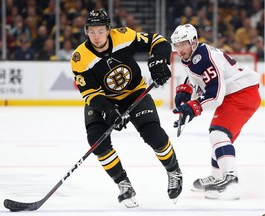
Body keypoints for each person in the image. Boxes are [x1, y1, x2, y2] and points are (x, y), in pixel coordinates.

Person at [70, 9, 183, 207]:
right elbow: (90, 94)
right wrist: (109, 111)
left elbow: (158, 41)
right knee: (96, 141)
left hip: (134, 93)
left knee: (153, 135)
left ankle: (174, 170)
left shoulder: (124, 36)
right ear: (86, 31)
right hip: (104, 99)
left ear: (108, 30)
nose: (96, 37)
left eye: (100, 31)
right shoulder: (80, 58)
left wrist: (159, 61)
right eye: (92, 31)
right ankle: (124, 184)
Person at [170, 24, 261, 200]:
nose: (180, 49)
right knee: (220, 137)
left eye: (183, 44)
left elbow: (215, 94)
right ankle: (218, 177)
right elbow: (196, 76)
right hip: (239, 92)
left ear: (193, 41)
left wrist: (193, 106)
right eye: (177, 45)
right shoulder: (194, 55)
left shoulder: (204, 57)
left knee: (218, 134)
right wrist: (186, 90)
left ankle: (231, 181)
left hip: (241, 93)